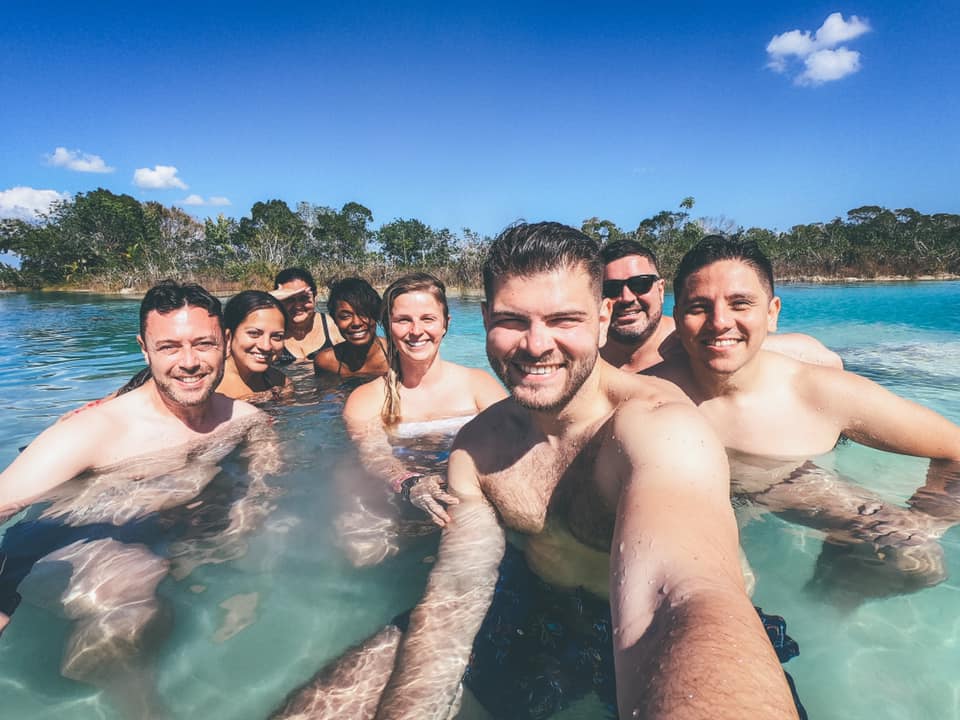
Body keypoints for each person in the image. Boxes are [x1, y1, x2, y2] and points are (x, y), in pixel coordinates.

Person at [271, 223, 800, 720]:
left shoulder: (657, 427)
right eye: (512, 320)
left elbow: (681, 596)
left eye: (563, 319)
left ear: (601, 319)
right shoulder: (477, 447)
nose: (536, 344)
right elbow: (457, 589)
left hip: (660, 626)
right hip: (537, 603)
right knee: (347, 690)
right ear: (484, 320)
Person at [0, 281, 278, 715]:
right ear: (144, 350)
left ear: (224, 342)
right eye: (169, 347)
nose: (189, 362)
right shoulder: (96, 430)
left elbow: (261, 499)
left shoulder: (247, 421)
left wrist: (246, 585)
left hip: (152, 538)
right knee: (128, 595)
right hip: (50, 546)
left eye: (203, 344)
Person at [648, 236, 960, 604]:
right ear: (677, 317)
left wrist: (928, 519)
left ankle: (829, 601)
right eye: (698, 307)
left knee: (921, 564)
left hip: (808, 501)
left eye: (740, 304)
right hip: (719, 515)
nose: (719, 322)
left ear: (772, 312)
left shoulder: (820, 393)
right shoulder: (651, 397)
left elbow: (954, 447)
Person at [342, 272, 506, 527]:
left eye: (428, 319)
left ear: (445, 324)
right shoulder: (366, 399)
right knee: (363, 552)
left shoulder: (479, 385)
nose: (416, 331)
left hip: (472, 496)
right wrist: (409, 482)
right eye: (403, 320)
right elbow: (373, 454)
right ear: (387, 325)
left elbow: (510, 444)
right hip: (399, 499)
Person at [599, 239, 843, 372]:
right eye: (611, 288)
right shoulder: (587, 352)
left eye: (640, 284)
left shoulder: (693, 339)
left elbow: (826, 360)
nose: (627, 297)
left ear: (661, 290)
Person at [217, 290, 291, 400]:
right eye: (254, 333)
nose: (266, 346)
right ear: (228, 337)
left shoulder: (280, 382)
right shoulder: (213, 393)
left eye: (276, 336)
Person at [314, 277, 390, 379]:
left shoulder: (394, 357)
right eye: (345, 317)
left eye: (363, 314)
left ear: (376, 315)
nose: (356, 323)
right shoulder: (327, 362)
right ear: (335, 320)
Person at [271, 267, 343, 363]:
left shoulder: (332, 326)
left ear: (315, 297)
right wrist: (269, 298)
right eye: (289, 299)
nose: (297, 306)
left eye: (303, 298)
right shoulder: (270, 329)